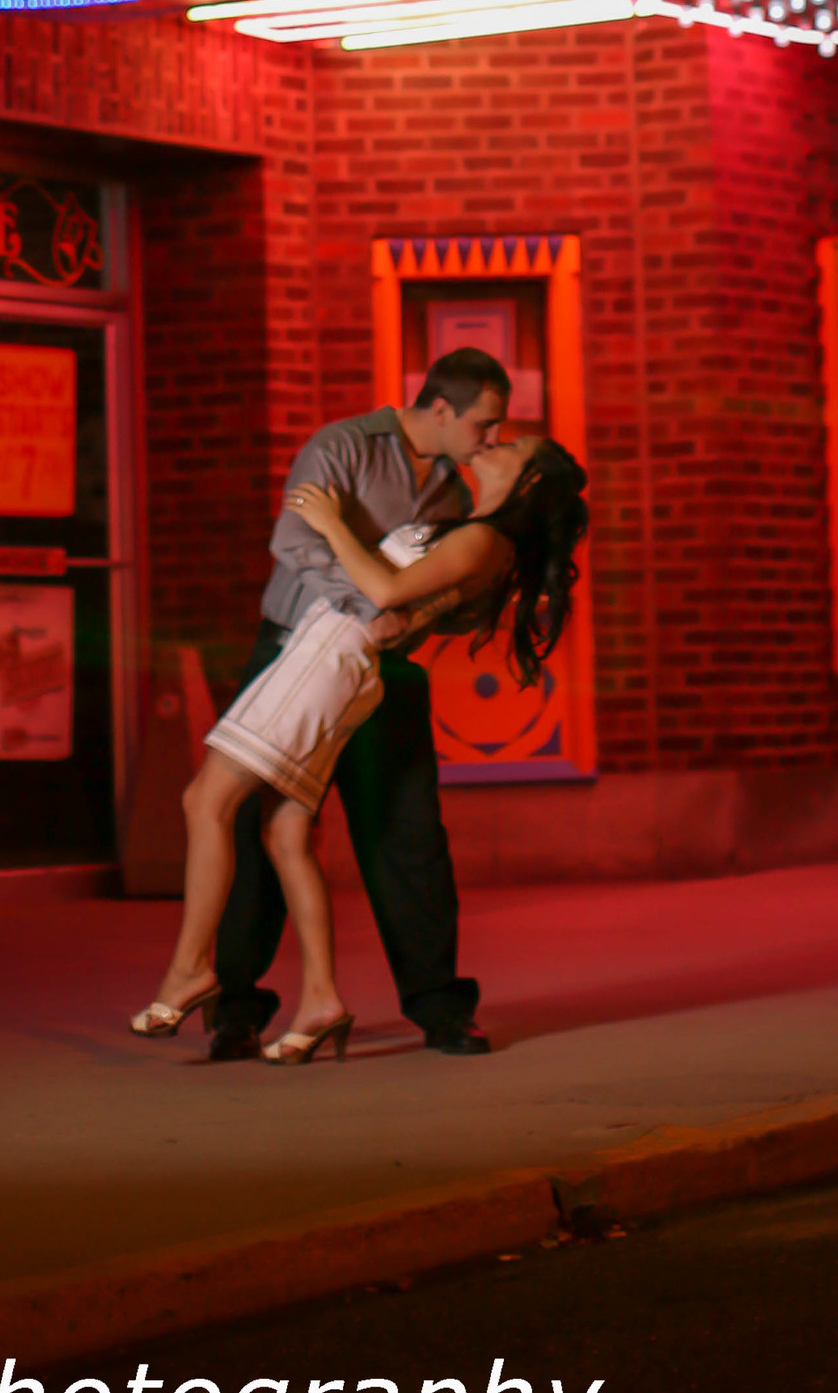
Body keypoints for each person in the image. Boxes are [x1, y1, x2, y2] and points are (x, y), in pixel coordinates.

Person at [131, 424, 583, 1061]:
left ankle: (190, 970)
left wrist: (333, 521)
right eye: (490, 427)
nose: (492, 441)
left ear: (529, 479)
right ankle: (319, 999)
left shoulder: (483, 536)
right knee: (284, 835)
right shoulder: (468, 524)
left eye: (507, 442)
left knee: (205, 803)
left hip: (322, 663)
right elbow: (406, 603)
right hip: (330, 661)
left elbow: (387, 593)